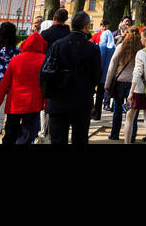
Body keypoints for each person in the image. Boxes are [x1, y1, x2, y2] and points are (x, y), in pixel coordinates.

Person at [43, 10, 102, 144]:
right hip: (81, 101)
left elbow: (46, 70)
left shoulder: (57, 45)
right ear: (86, 27)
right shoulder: (92, 49)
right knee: (80, 138)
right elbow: (97, 76)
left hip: (58, 99)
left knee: (57, 139)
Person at [0, 29, 47, 144]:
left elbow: (4, 85)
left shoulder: (15, 60)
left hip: (14, 103)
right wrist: (46, 103)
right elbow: (46, 85)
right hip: (33, 103)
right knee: (26, 135)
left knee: (10, 133)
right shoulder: (43, 61)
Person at [104, 28, 139, 141]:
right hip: (134, 84)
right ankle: (132, 135)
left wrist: (107, 83)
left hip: (120, 83)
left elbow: (112, 66)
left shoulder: (120, 47)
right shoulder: (141, 49)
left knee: (117, 109)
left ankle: (114, 134)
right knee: (132, 112)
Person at [95, 21, 117, 116]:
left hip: (101, 74)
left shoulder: (101, 46)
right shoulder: (113, 47)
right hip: (110, 74)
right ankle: (108, 106)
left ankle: (97, 113)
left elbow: (101, 59)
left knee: (99, 96)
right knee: (107, 92)